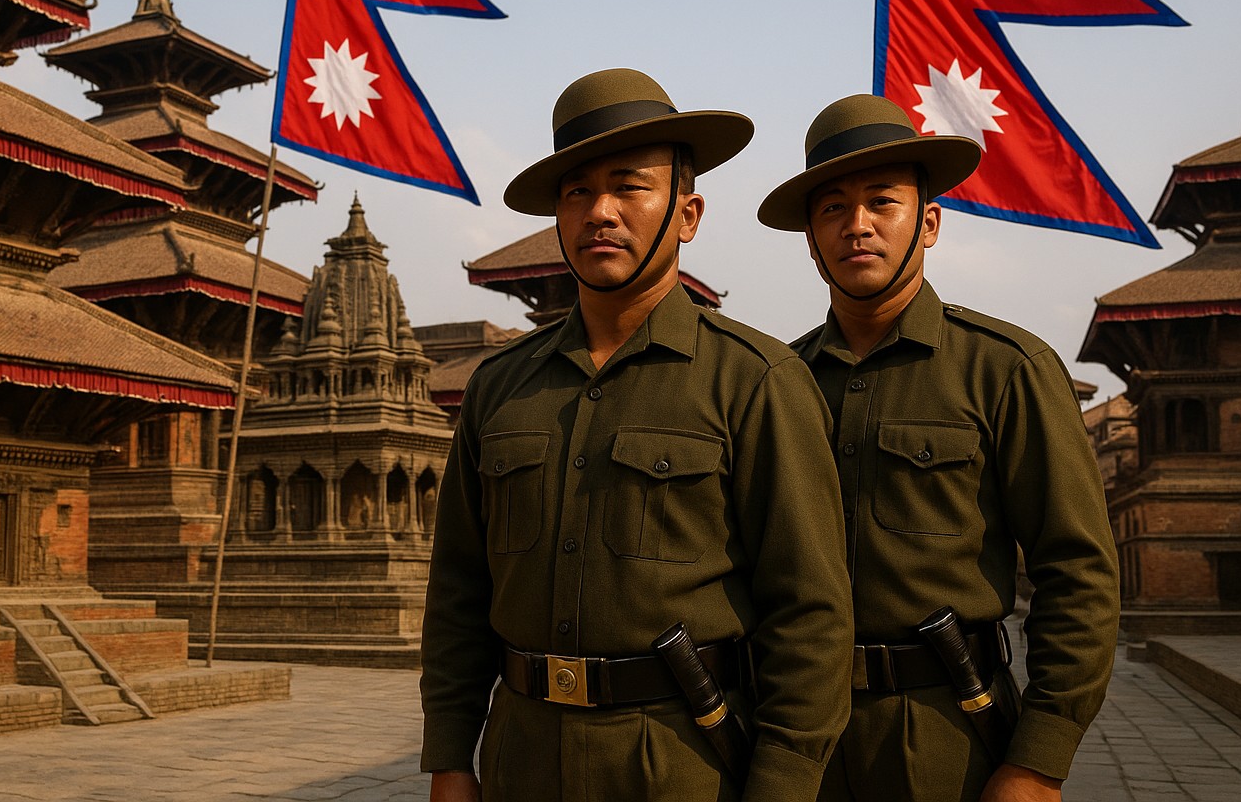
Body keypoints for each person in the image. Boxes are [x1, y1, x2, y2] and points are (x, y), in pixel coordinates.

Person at [420, 68, 853, 802]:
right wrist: (452, 759)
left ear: (688, 214)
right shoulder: (500, 386)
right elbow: (460, 589)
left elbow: (810, 614)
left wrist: (783, 784)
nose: (601, 212)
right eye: (577, 191)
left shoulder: (755, 378)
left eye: (629, 186)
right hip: (522, 756)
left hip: (682, 761)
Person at [756, 94, 1120, 802]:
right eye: (831, 208)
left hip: (949, 731)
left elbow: (1076, 569)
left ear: (928, 223)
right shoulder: (775, 383)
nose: (856, 226)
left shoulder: (1005, 368)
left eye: (881, 203)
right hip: (796, 739)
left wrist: (1041, 757)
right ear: (809, 237)